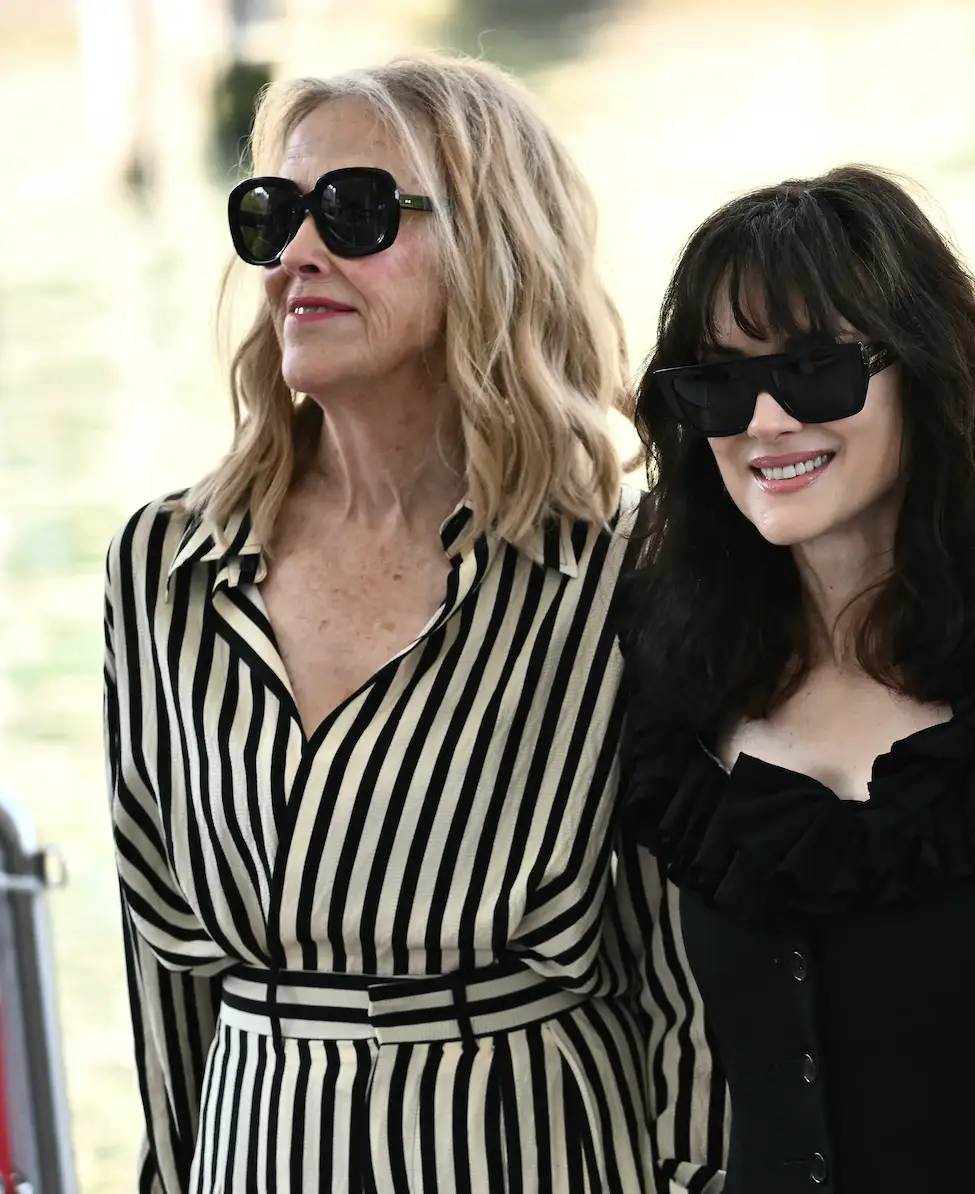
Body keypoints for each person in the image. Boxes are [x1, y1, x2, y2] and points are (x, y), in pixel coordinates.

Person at [104, 55, 725, 1193]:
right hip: (252, 1150)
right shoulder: (163, 569)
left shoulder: (623, 573)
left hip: (533, 1150)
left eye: (353, 211)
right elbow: (165, 976)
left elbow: (682, 978)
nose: (297, 253)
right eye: (273, 214)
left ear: (490, 245)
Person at [615, 166, 975, 1192]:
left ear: (925, 371)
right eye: (715, 381)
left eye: (813, 370)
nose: (761, 422)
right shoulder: (680, 671)